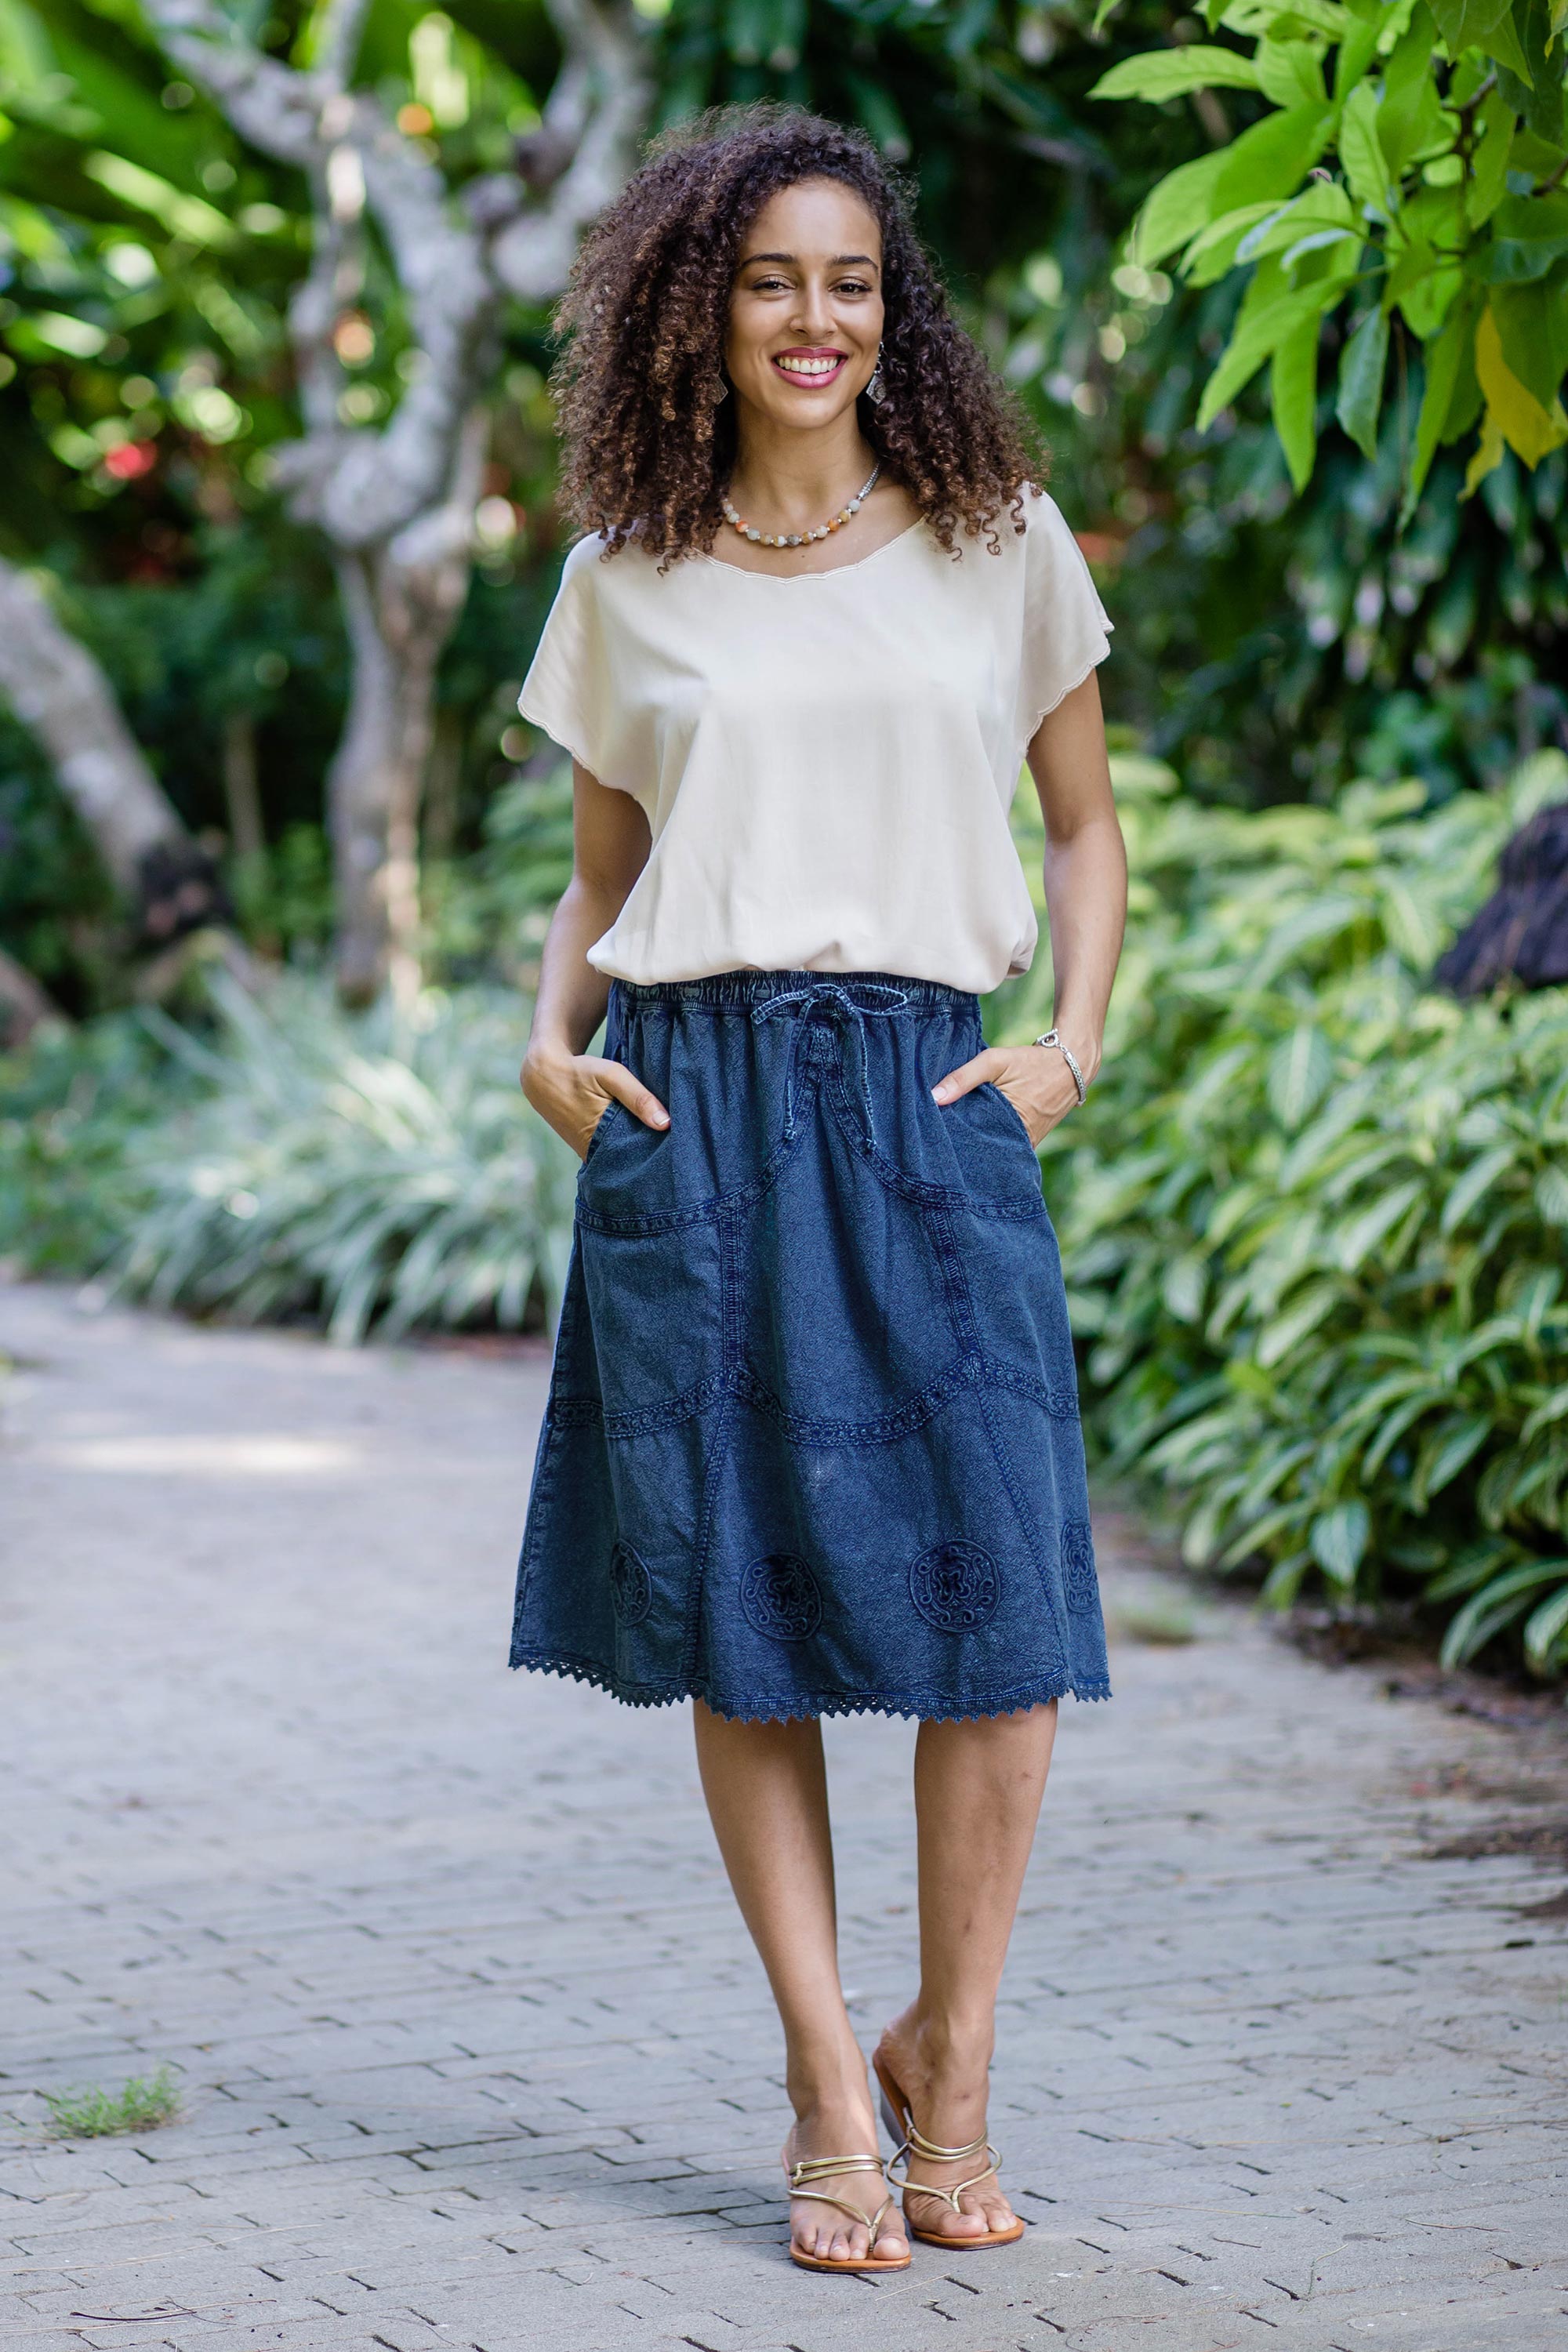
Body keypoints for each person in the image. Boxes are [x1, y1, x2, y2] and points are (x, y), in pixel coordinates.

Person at [513, 102, 1127, 2276]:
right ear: (703, 305)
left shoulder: (995, 533)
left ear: (894, 311)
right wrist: (543, 1039)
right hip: (693, 1099)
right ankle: (818, 2084)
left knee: (1008, 1618)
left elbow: (1082, 832)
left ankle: (948, 2064)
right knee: (741, 1613)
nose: (815, 315)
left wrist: (1068, 1042)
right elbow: (600, 880)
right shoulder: (625, 577)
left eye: (850, 279)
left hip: (929, 1087)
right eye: (773, 276)